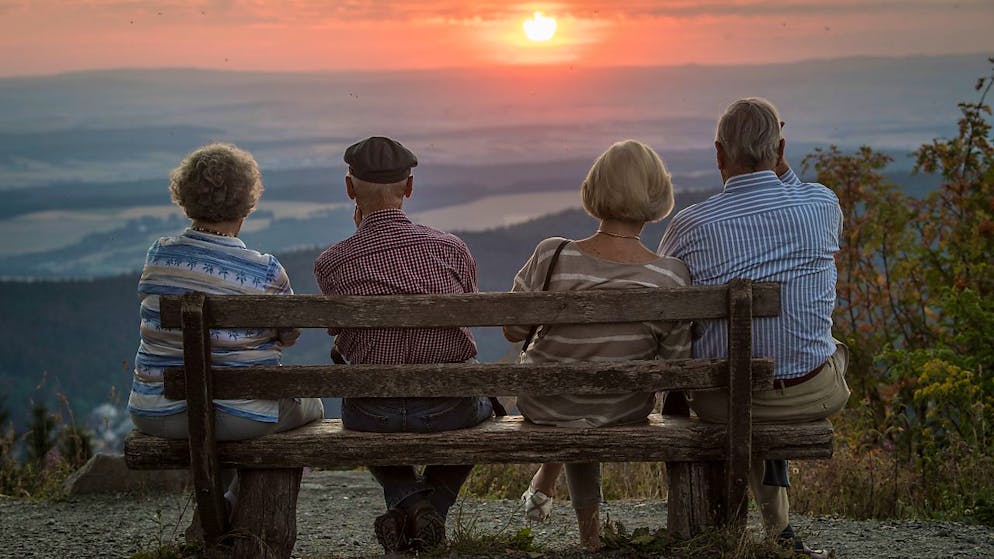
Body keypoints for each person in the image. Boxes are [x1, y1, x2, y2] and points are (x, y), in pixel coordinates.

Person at [657, 97, 850, 559]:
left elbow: (663, 299)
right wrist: (780, 167)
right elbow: (796, 192)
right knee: (828, 350)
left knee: (741, 372)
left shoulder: (691, 226)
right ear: (780, 150)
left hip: (723, 402)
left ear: (719, 154)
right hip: (812, 393)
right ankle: (779, 531)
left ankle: (755, 528)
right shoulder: (822, 204)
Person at [503, 139, 692, 550]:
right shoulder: (671, 276)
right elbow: (677, 365)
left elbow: (513, 330)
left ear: (594, 190)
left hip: (545, 403)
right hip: (621, 406)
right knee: (591, 393)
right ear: (657, 195)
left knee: (576, 390)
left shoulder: (552, 254)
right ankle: (587, 536)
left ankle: (582, 526)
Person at [313, 136, 493, 553]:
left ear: (350, 188)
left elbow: (340, 333)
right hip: (449, 408)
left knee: (367, 408)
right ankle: (432, 508)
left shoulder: (331, 263)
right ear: (409, 187)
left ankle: (407, 504)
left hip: (371, 413)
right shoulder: (451, 249)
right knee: (489, 406)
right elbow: (467, 314)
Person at [128, 142, 325, 520]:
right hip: (241, 417)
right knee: (309, 407)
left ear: (186, 197)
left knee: (238, 418)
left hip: (157, 411)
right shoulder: (266, 271)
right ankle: (233, 507)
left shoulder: (158, 255)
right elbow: (289, 334)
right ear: (246, 201)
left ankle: (214, 512)